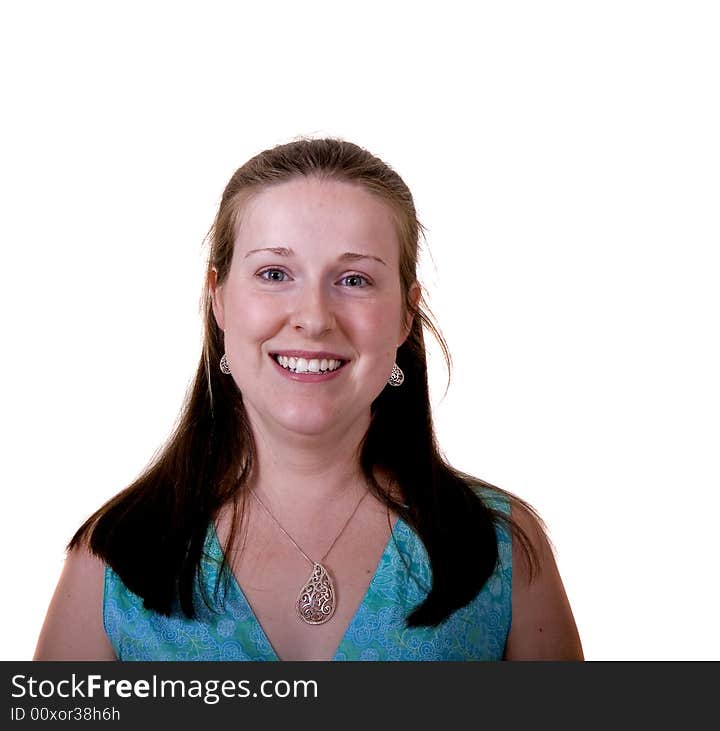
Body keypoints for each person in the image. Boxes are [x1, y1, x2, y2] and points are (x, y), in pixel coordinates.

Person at [34, 138, 583, 661]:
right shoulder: (107, 560)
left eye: (354, 280)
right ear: (219, 299)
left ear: (406, 313)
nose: (315, 318)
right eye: (274, 273)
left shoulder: (506, 552)